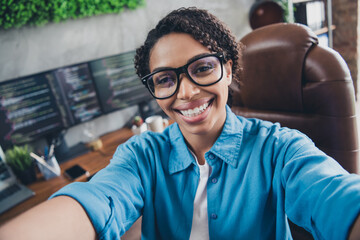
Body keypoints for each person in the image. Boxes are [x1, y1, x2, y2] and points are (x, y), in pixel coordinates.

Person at [1, 7, 360, 240]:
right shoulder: (141, 155)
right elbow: (97, 200)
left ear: (228, 68)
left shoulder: (280, 148)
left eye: (202, 68)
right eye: (165, 79)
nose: (185, 92)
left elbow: (335, 196)